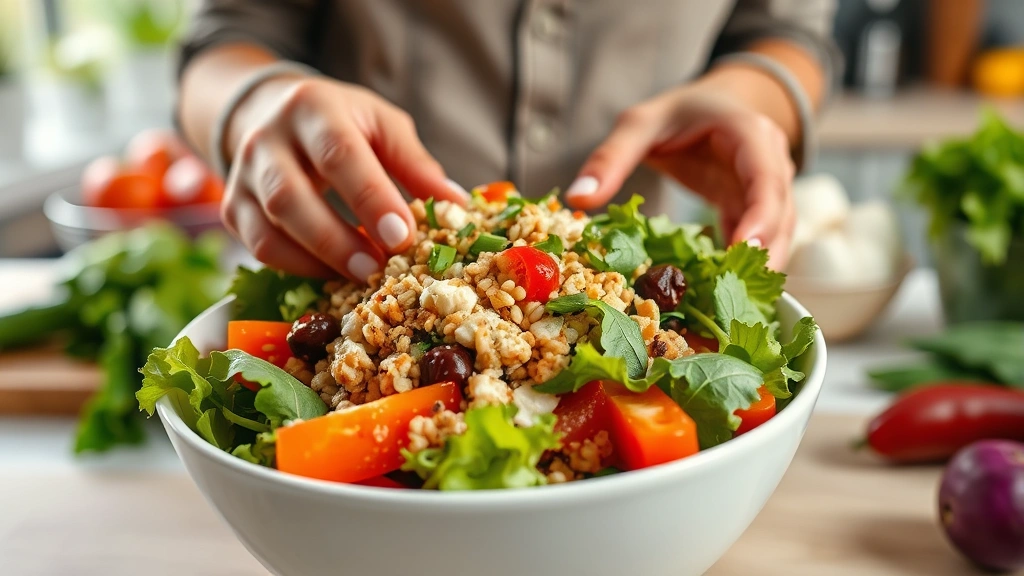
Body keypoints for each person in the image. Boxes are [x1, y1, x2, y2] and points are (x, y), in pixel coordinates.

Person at [177, 1, 840, 281]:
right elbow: (226, 39)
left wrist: (748, 97)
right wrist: (254, 104)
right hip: (360, 275)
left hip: (628, 300)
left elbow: (789, 34)